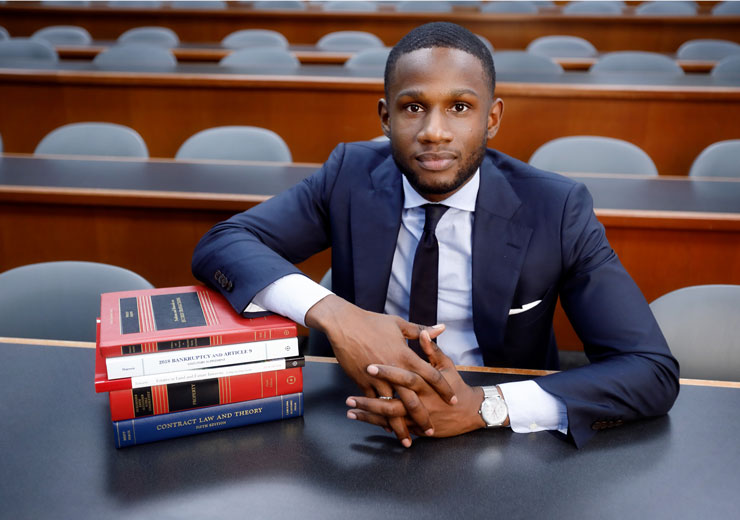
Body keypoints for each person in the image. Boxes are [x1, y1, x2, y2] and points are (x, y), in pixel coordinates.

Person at [192, 22, 679, 449]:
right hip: (360, 414)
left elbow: (650, 370)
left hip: (499, 430)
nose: (434, 131)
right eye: (413, 107)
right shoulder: (349, 175)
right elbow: (224, 242)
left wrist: (485, 407)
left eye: (460, 107)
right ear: (385, 118)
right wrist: (341, 318)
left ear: (492, 118)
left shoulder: (555, 209)